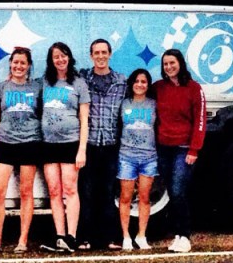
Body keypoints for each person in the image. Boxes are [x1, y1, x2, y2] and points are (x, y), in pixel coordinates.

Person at [0, 47, 42, 254]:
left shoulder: (37, 88)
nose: (19, 66)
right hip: (5, 145)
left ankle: (22, 240)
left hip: (30, 144)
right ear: (10, 64)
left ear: (28, 66)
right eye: (15, 62)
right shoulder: (0, 88)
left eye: (23, 63)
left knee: (26, 192)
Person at [153, 49, 206, 254]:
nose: (169, 67)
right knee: (171, 192)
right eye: (165, 64)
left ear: (180, 63)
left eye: (172, 63)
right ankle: (177, 235)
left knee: (178, 191)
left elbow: (200, 121)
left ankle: (185, 235)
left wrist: (194, 149)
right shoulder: (158, 88)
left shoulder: (194, 89)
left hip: (184, 149)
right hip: (163, 148)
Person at [39, 42, 89, 253]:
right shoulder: (44, 83)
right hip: (49, 145)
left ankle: (72, 236)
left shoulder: (78, 83)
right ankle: (60, 237)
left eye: (64, 55)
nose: (60, 59)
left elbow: (85, 119)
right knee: (54, 191)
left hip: (70, 144)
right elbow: (21, 85)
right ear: (51, 61)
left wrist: (82, 150)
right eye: (56, 57)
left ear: (69, 57)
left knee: (70, 190)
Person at [76, 39, 127, 250]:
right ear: (91, 56)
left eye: (104, 52)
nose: (100, 56)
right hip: (88, 143)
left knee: (107, 191)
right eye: (96, 53)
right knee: (86, 191)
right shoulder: (82, 79)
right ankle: (84, 237)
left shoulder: (121, 82)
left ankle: (109, 238)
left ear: (110, 54)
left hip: (111, 144)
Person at [118, 68, 156, 251]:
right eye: (137, 81)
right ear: (131, 84)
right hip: (127, 157)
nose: (140, 85)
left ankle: (141, 235)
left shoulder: (154, 105)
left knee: (145, 197)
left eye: (144, 82)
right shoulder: (123, 104)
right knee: (125, 197)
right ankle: (125, 236)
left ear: (148, 85)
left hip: (149, 157)